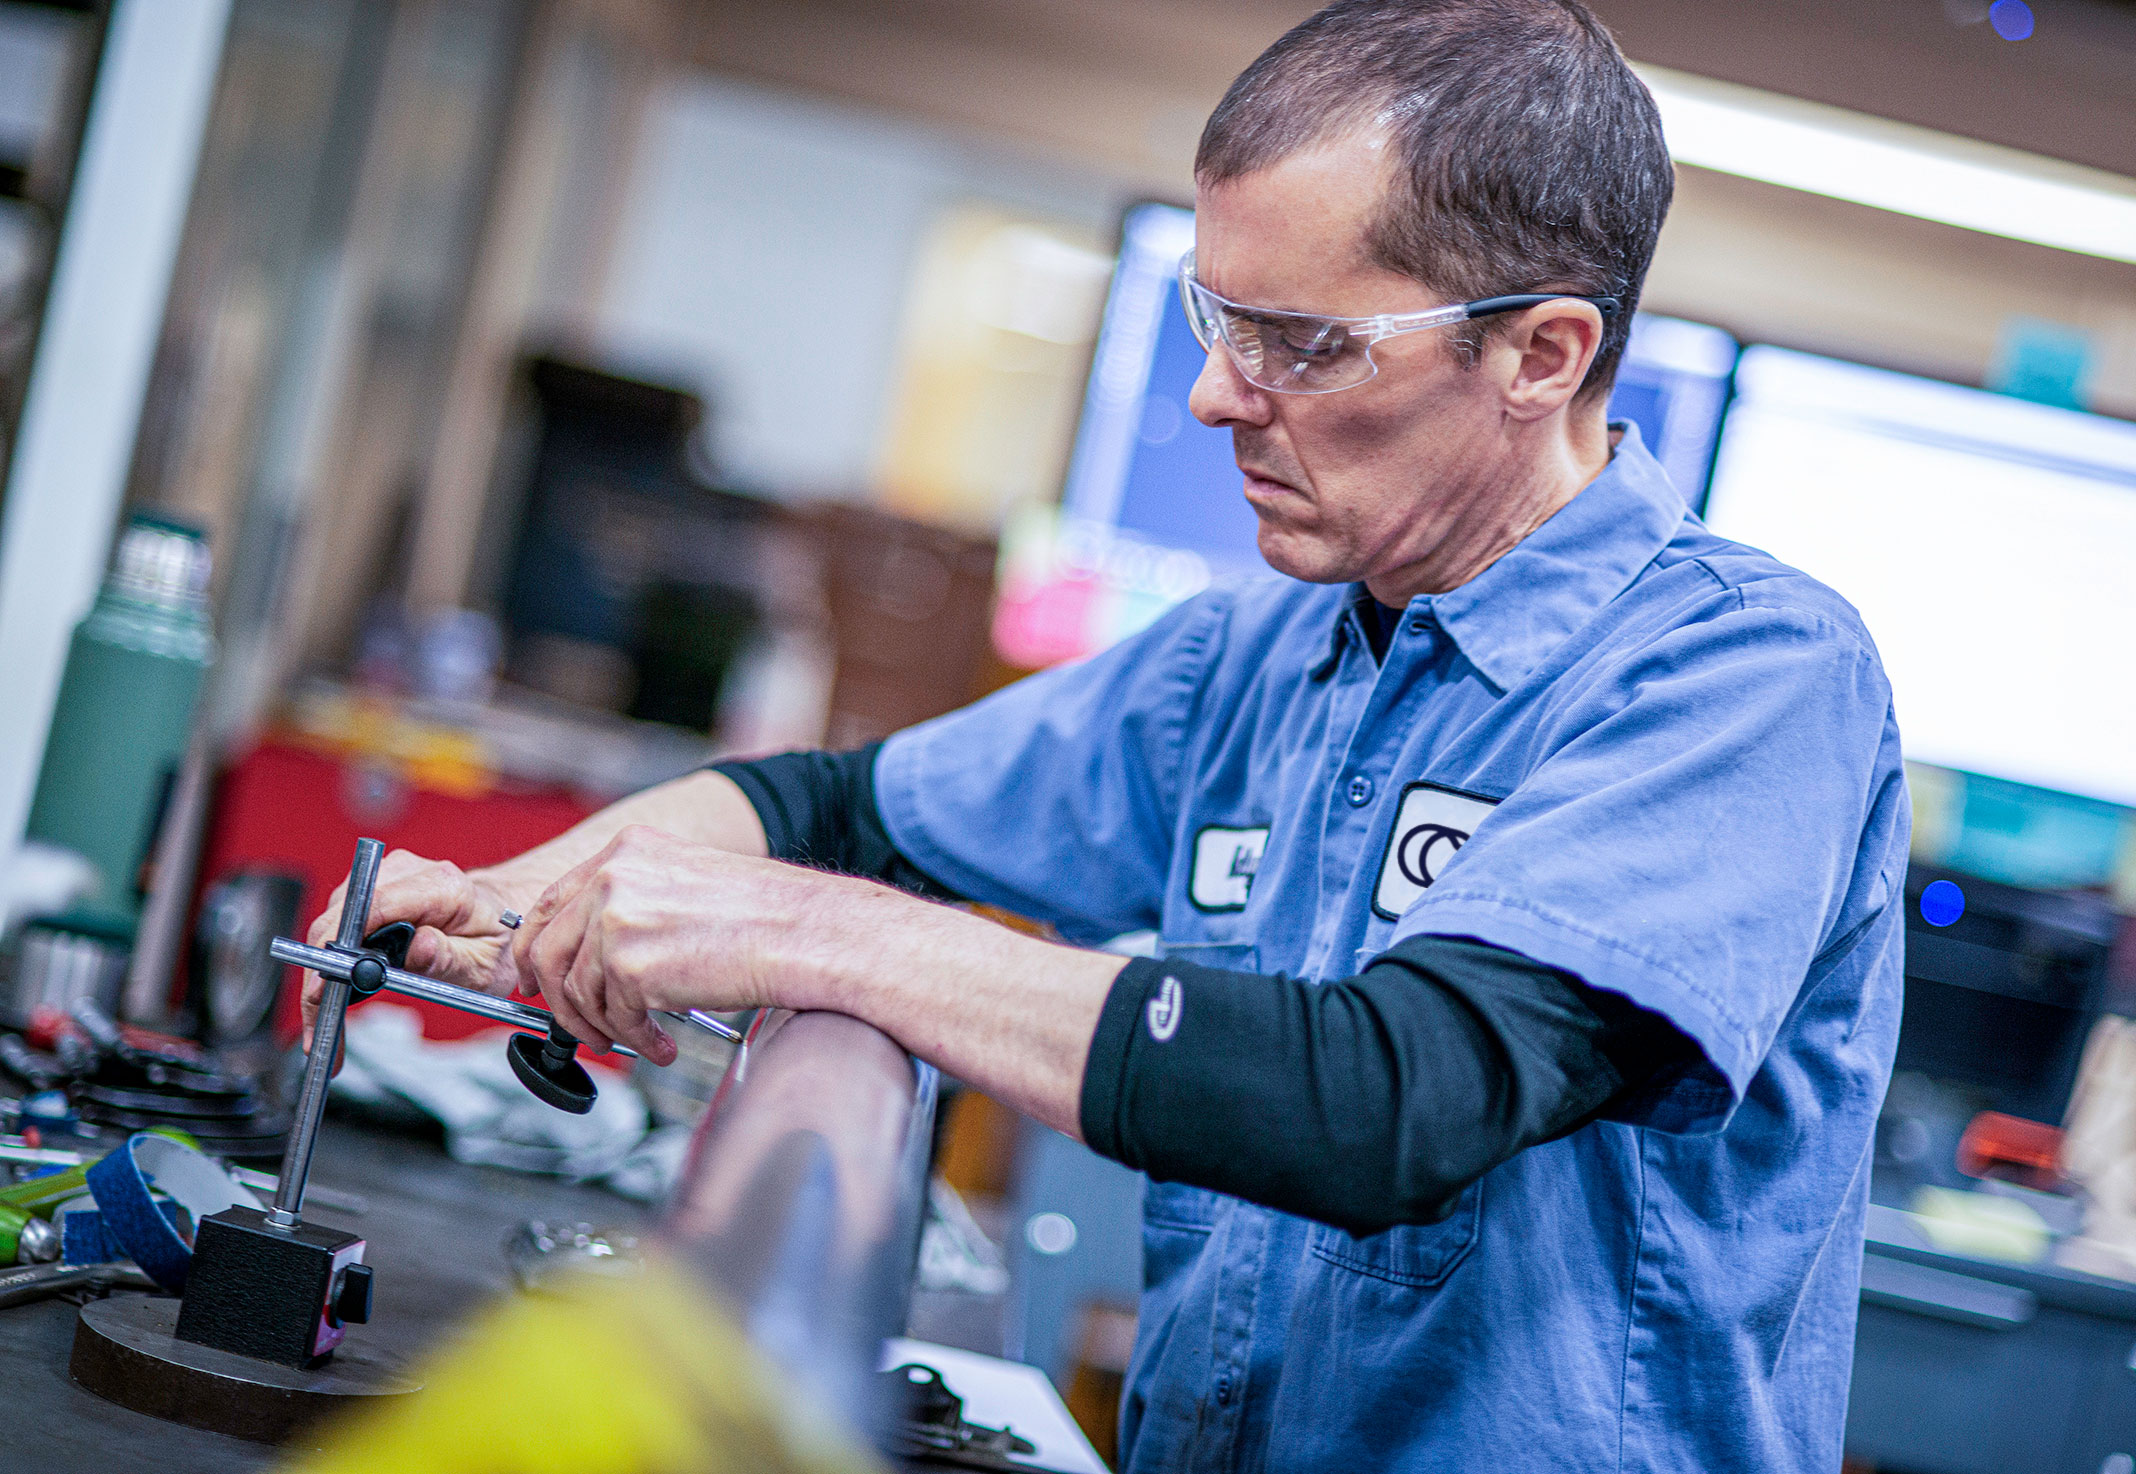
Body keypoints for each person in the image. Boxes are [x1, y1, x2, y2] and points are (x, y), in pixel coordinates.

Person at [307, 1, 1908, 1467]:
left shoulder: (1746, 679)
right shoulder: (1256, 654)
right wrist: (520, 902)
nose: (1217, 396)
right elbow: (845, 810)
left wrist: (801, 935)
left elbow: (1395, 1099)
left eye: (1304, 341)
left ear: (1539, 353)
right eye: (1220, 316)